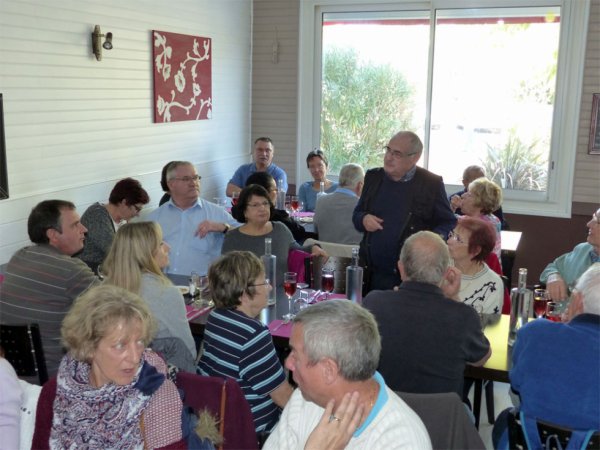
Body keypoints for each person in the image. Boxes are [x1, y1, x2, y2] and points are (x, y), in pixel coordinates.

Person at [32, 284, 190, 449]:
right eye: (120, 345)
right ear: (89, 347)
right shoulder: (57, 392)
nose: (135, 357)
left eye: (140, 342)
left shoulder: (158, 394)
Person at [263, 299, 431, 450]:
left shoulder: (401, 442)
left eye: (295, 354)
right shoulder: (304, 400)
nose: (288, 363)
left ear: (329, 370)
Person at [362, 231, 491, 397]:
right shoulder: (463, 316)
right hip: (441, 418)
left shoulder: (375, 303)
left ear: (401, 268)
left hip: (386, 413)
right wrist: (453, 297)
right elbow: (482, 359)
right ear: (446, 273)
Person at [492, 263, 600, 449]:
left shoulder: (534, 333)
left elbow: (516, 383)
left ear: (577, 300)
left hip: (532, 442)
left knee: (505, 420)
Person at [198, 251, 294, 434]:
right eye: (264, 282)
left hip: (219, 419)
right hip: (253, 429)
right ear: (243, 294)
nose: (271, 287)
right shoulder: (254, 334)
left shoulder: (215, 317)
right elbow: (282, 396)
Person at [0, 200, 98, 376]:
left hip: (15, 373)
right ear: (53, 234)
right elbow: (115, 309)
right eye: (75, 225)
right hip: (57, 376)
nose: (84, 229)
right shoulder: (71, 269)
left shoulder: (19, 257)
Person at [352, 131, 456, 291]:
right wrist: (363, 218)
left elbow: (448, 221)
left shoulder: (431, 183)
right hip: (371, 272)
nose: (388, 157)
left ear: (414, 157)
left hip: (410, 275)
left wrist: (430, 241)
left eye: (397, 154)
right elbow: (357, 214)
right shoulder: (373, 177)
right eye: (388, 150)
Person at [102, 222, 197, 371]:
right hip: (158, 378)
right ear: (145, 254)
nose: (168, 247)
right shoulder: (165, 292)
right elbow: (187, 351)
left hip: (112, 373)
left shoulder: (101, 291)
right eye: (160, 244)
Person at [222, 184, 327, 299]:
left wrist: (314, 247)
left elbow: (297, 250)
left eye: (265, 203)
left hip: (283, 294)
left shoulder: (280, 229)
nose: (262, 208)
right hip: (248, 299)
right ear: (244, 211)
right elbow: (226, 277)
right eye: (255, 205)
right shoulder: (233, 238)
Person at [147, 161, 239, 276]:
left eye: (195, 178)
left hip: (202, 287)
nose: (193, 183)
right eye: (186, 179)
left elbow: (245, 236)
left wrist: (222, 227)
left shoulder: (216, 213)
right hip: (164, 285)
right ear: (171, 184)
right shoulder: (154, 218)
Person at [77, 177, 150, 273]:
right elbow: (115, 251)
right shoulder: (96, 214)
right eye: (137, 208)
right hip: (91, 274)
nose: (138, 214)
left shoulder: (123, 221)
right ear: (124, 202)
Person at [540, 206, 600, 301]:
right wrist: (553, 276)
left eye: (597, 222)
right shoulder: (582, 249)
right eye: (592, 218)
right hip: (557, 314)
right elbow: (553, 267)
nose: (588, 224)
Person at [236, 171, 315, 243]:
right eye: (275, 190)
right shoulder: (278, 219)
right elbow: (299, 233)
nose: (277, 193)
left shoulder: (244, 221)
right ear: (265, 192)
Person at [448, 216, 503, 315]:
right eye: (451, 234)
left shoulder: (492, 285)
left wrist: (453, 297)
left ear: (476, 250)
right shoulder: (440, 267)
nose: (449, 241)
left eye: (457, 238)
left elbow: (487, 326)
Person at [314, 163, 364, 245]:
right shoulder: (363, 206)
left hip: (326, 256)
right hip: (353, 256)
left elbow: (316, 229)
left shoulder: (320, 201)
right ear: (360, 185)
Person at [456, 177, 503, 264]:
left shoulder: (475, 225)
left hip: (478, 272)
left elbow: (451, 220)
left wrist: (452, 208)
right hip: (493, 271)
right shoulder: (495, 220)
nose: (462, 195)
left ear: (480, 202)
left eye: (469, 194)